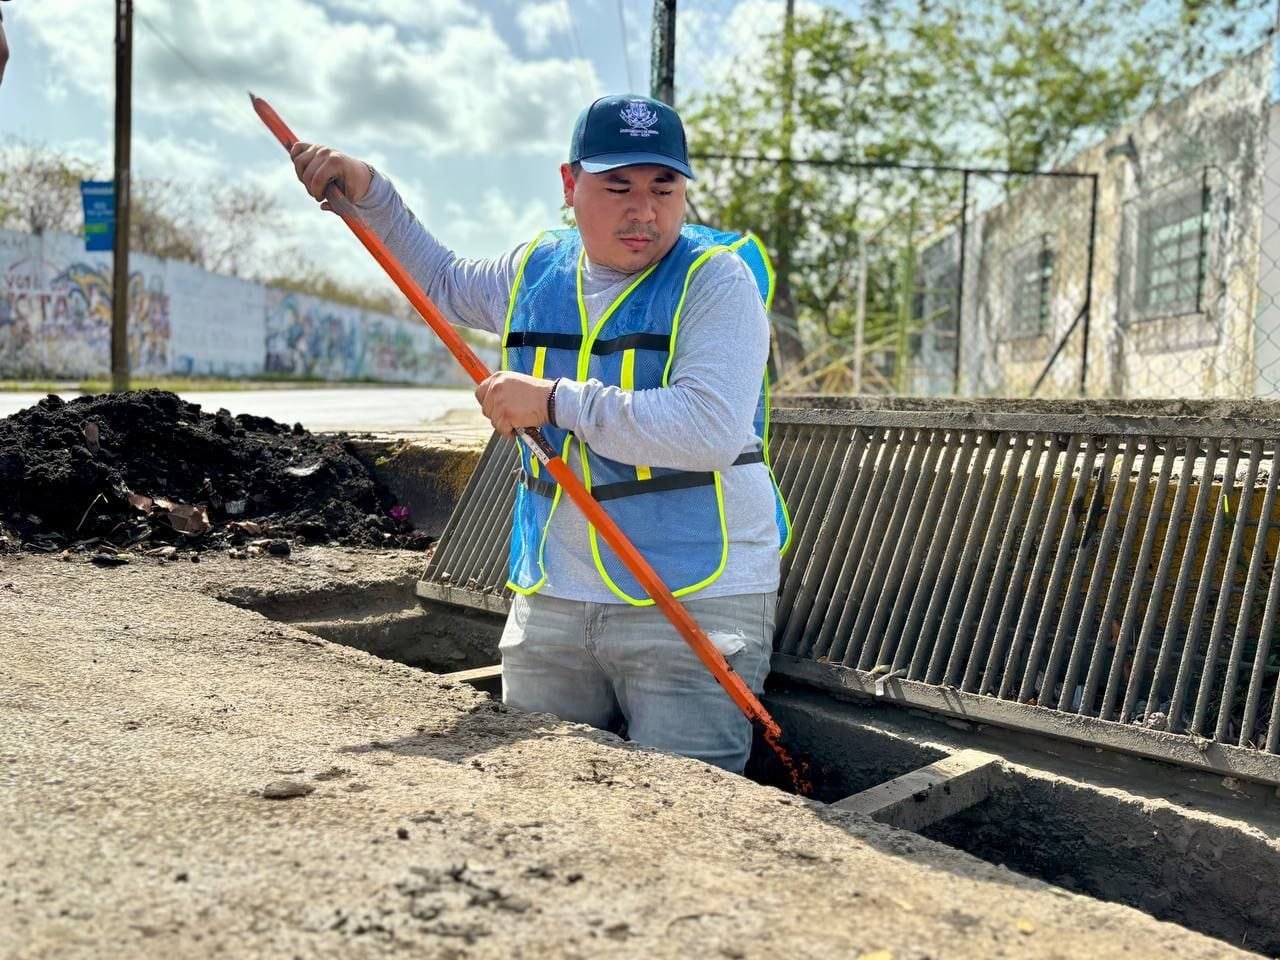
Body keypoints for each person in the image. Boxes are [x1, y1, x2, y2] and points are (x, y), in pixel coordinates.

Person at [289, 95, 790, 773]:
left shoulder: (716, 281)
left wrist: (553, 401)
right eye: (619, 187)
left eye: (664, 188)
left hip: (693, 598)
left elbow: (706, 430)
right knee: (536, 793)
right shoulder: (537, 270)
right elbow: (441, 282)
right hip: (556, 593)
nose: (644, 211)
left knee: (685, 806)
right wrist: (371, 192)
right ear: (569, 184)